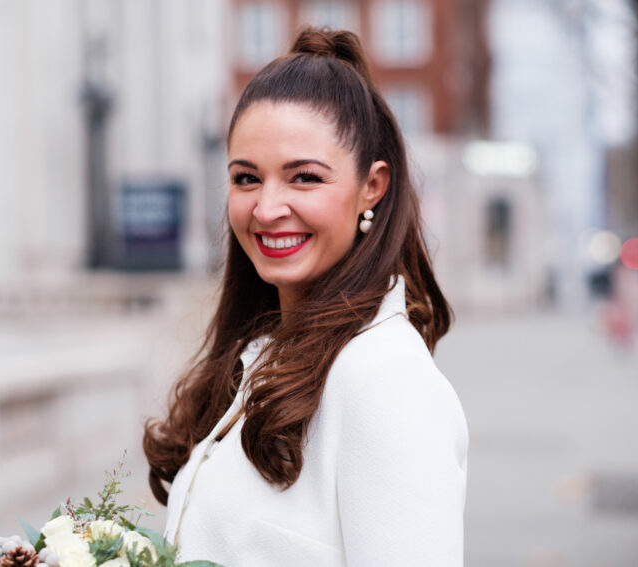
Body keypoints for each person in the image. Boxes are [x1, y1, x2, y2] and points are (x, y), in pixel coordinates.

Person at [143, 27, 468, 566]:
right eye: (246, 178)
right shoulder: (260, 356)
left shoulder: (386, 383)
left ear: (373, 186)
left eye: (304, 179)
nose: (267, 208)